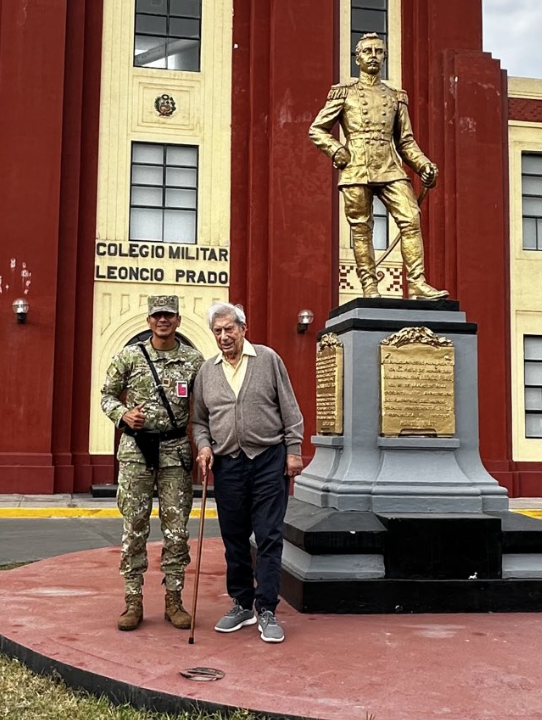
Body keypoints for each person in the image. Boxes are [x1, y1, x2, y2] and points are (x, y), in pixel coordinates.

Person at [191, 302, 304, 643]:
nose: (224, 336)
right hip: (227, 464)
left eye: (229, 329)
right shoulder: (206, 372)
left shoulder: (268, 360)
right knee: (234, 538)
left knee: (269, 535)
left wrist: (294, 450)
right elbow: (199, 420)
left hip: (268, 459)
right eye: (218, 331)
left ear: (243, 328)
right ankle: (241, 602)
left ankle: (266, 608)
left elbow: (289, 407)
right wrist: (204, 446)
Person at [307, 32, 448, 300]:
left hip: (390, 165)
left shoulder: (396, 97)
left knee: (411, 218)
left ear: (384, 57)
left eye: (378, 51)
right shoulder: (344, 93)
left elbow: (406, 142)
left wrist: (424, 165)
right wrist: (337, 149)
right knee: (362, 228)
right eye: (367, 51)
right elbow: (317, 129)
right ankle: (369, 286)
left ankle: (417, 283)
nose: (373, 56)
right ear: (357, 57)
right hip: (357, 166)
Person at [100, 295, 204, 631]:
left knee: (177, 532)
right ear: (149, 321)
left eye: (169, 316)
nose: (163, 321)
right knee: (134, 528)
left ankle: (174, 600)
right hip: (136, 453)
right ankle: (133, 600)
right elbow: (106, 395)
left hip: (175, 451)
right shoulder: (129, 356)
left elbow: (204, 405)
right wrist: (123, 414)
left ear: (178, 320)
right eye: (157, 315)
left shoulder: (193, 361)